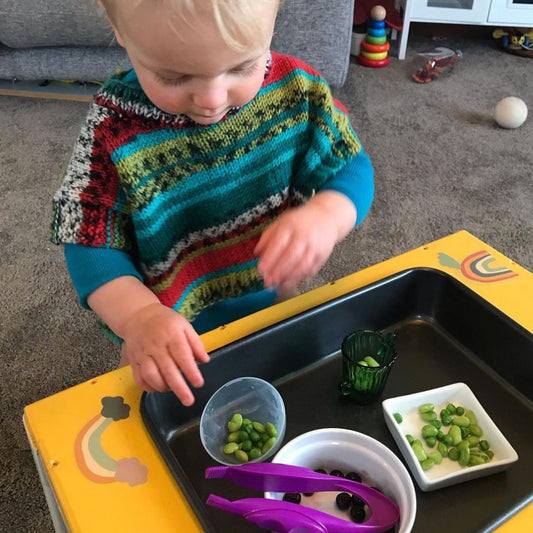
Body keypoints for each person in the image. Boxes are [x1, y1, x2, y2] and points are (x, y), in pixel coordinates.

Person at [51, 0, 374, 406]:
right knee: (157, 421)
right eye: (174, 76)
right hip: (168, 327)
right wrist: (137, 317)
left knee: (289, 395)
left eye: (240, 67)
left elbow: (350, 163)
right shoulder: (113, 128)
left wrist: (327, 214)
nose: (211, 98)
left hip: (273, 298)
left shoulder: (296, 91)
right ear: (120, 31)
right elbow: (89, 238)